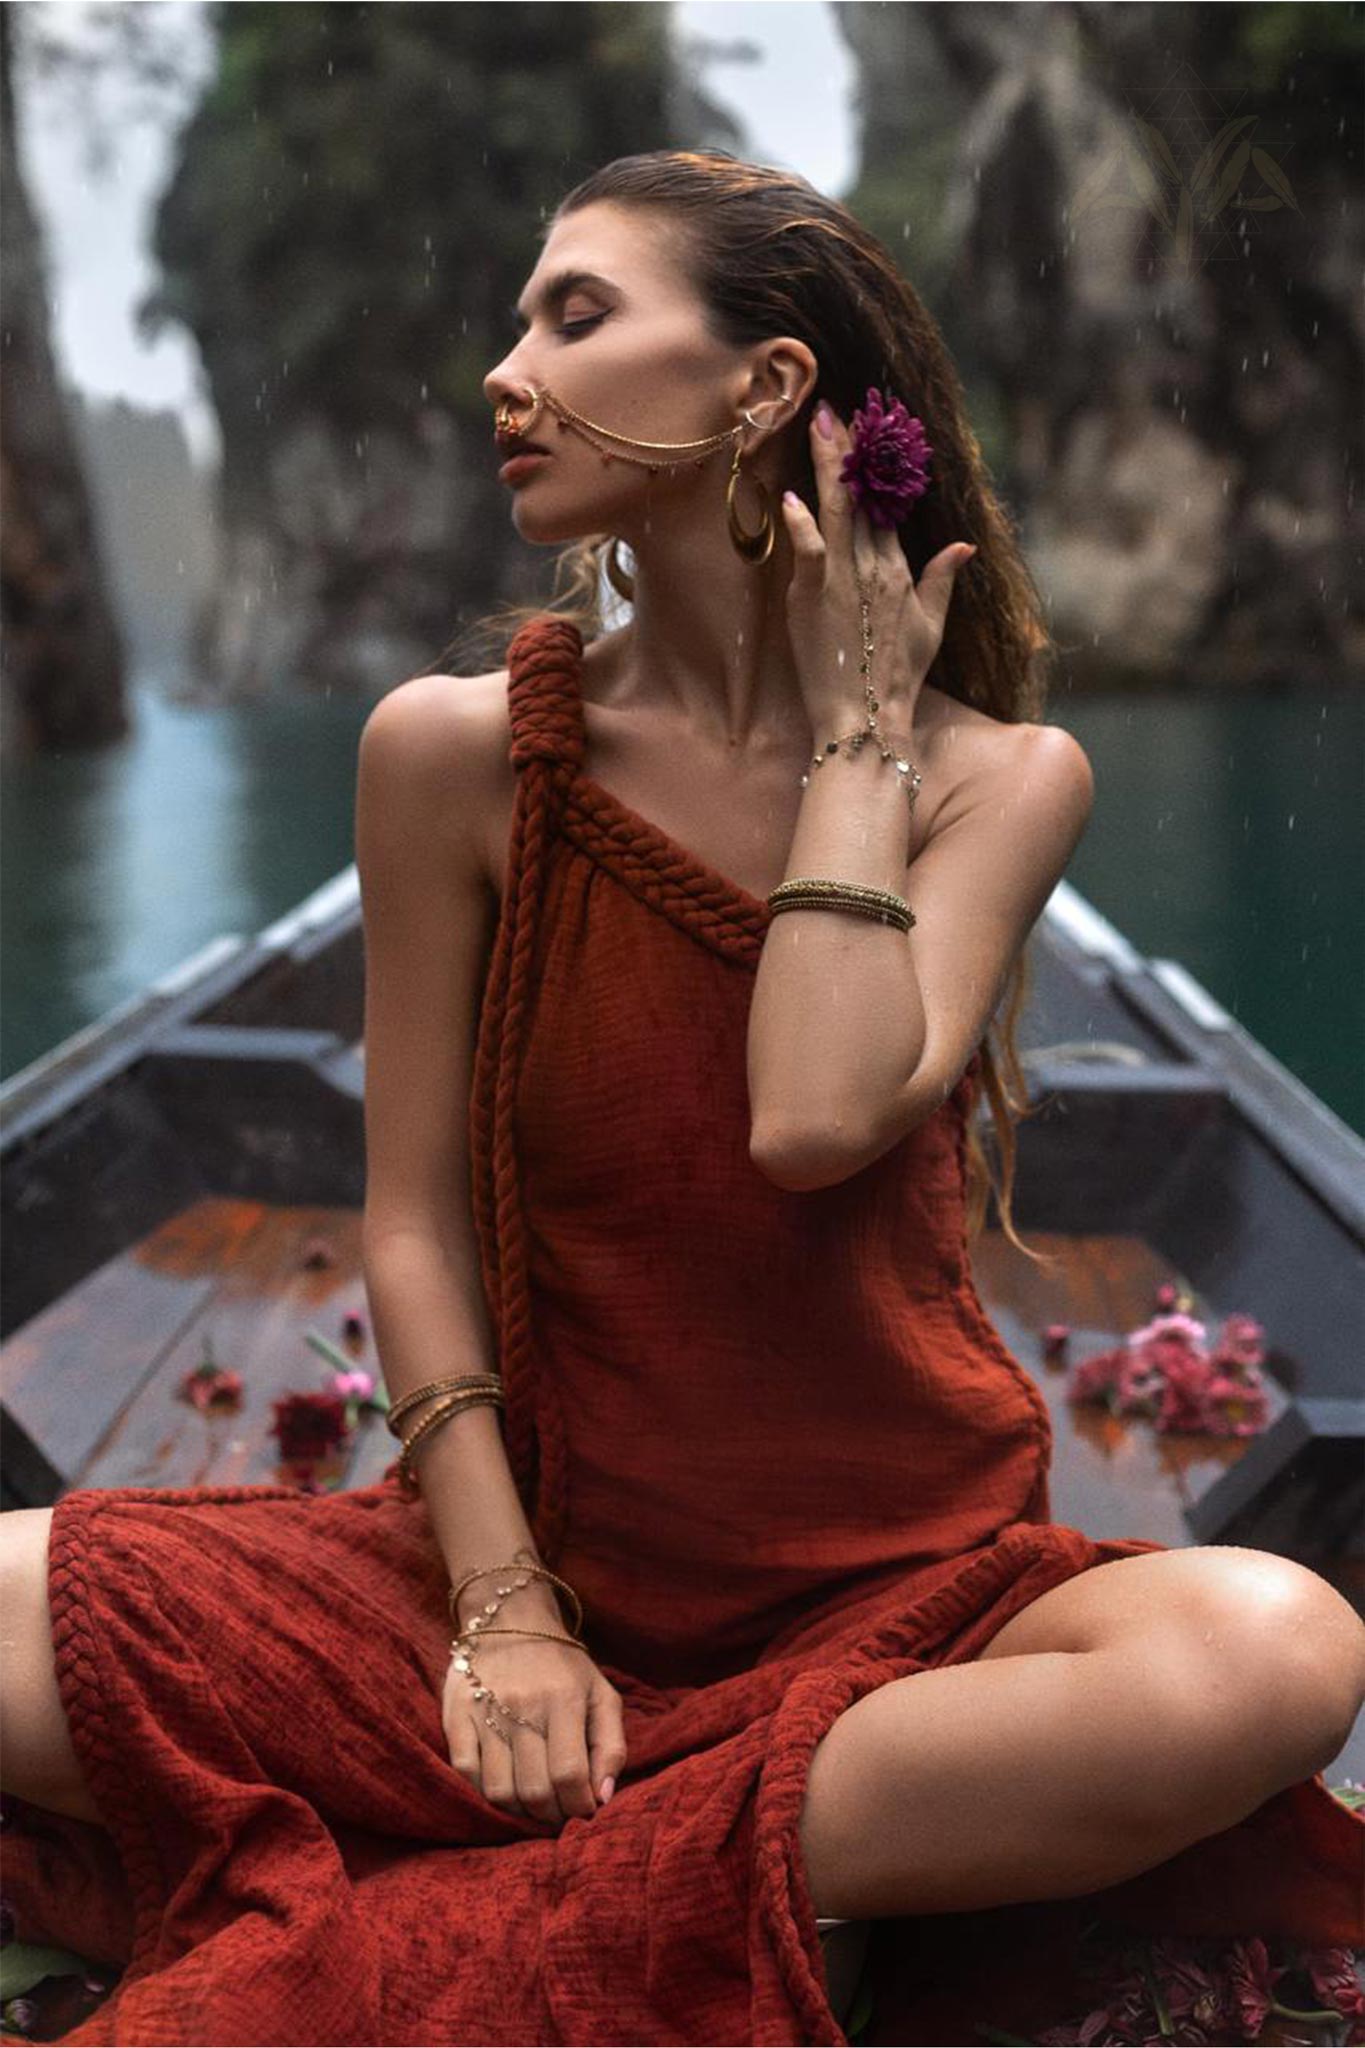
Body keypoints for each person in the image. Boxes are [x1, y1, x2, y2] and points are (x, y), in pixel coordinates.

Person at [2, 147, 1362, 2047]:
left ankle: (521, 1896)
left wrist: (860, 740)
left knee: (1271, 1649)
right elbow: (410, 1220)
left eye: (575, 315)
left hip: (902, 1610)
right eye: (516, 316)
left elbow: (811, 1115)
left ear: (764, 390)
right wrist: (506, 1614)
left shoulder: (994, 778)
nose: (505, 367)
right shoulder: (453, 755)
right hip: (532, 1562)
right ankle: (747, 1874)